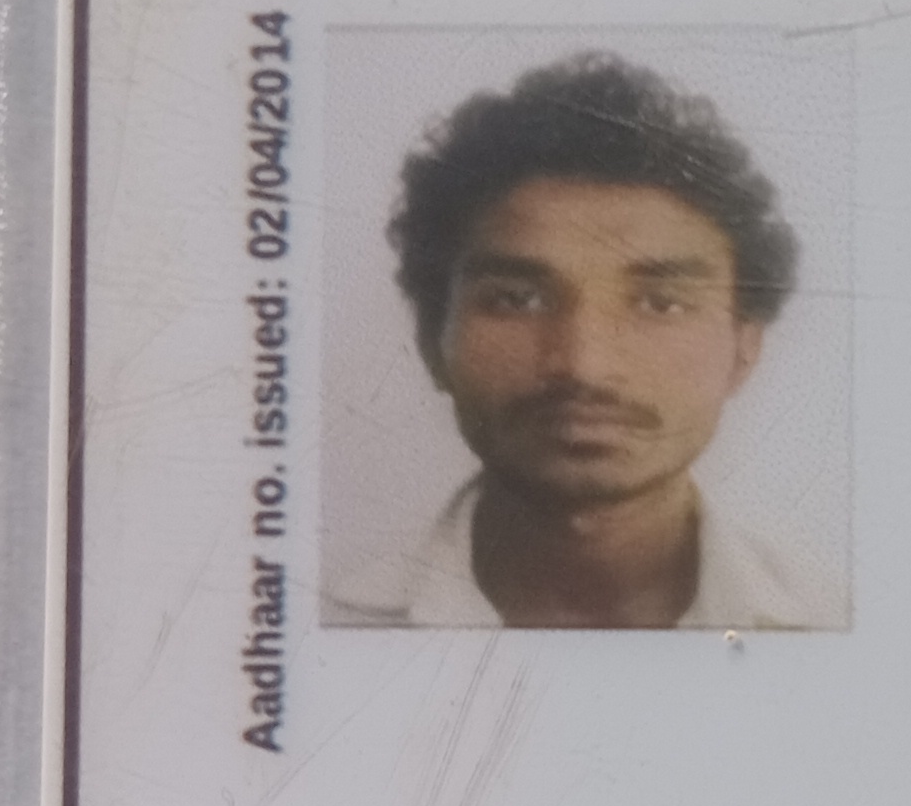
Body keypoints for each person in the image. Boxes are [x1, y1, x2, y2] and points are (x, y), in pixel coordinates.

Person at [327, 51, 829, 629]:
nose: (584, 365)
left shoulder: (835, 631)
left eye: (660, 304)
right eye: (517, 299)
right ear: (430, 339)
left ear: (744, 350)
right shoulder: (316, 627)